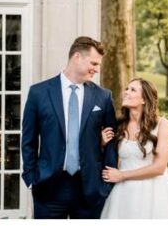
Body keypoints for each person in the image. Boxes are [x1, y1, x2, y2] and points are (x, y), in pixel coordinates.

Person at [21, 36, 118, 218]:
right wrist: (31, 177)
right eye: (94, 63)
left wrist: (105, 185)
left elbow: (112, 141)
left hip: (89, 188)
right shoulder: (38, 93)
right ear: (77, 57)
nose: (97, 70)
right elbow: (28, 140)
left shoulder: (103, 97)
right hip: (48, 187)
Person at [100, 79, 168, 219]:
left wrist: (122, 175)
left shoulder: (162, 125)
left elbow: (159, 167)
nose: (126, 92)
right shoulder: (119, 125)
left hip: (155, 193)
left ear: (144, 99)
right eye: (127, 89)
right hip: (124, 194)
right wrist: (101, 143)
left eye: (132, 90)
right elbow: (106, 157)